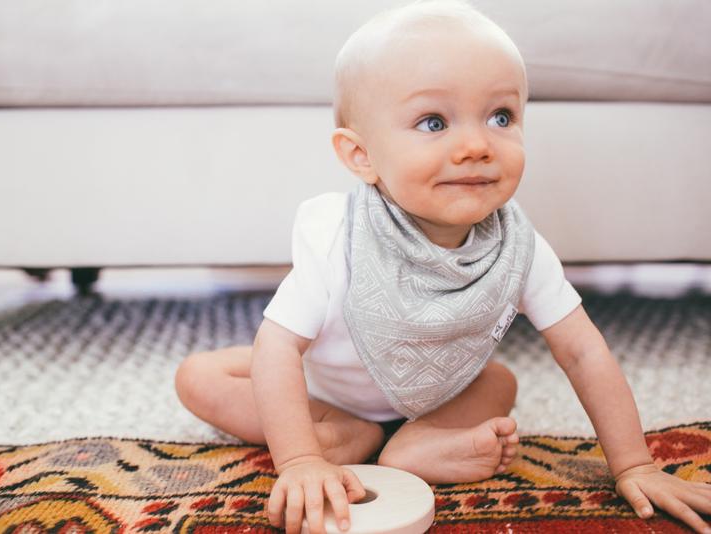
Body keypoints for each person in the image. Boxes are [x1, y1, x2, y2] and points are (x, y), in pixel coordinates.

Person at [175, 1, 711, 533]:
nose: (476, 145)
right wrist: (297, 461)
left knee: (498, 380)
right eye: (434, 122)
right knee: (200, 376)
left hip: (441, 393)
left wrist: (635, 464)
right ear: (361, 156)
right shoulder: (340, 235)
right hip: (327, 392)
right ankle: (340, 434)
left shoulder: (518, 248)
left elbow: (582, 349)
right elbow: (278, 347)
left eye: (501, 117)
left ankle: (413, 442)